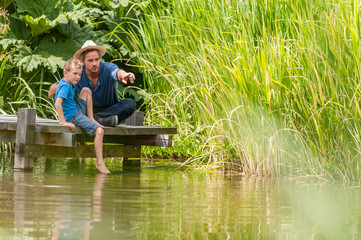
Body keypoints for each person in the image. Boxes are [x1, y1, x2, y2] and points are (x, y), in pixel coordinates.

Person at [49, 40, 136, 127]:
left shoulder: (108, 67)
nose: (94, 64)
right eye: (90, 60)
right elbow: (51, 92)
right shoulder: (77, 73)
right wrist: (65, 86)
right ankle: (100, 120)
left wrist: (124, 75)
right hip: (86, 110)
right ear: (82, 62)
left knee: (130, 104)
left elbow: (117, 72)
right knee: (66, 99)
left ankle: (95, 119)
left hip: (110, 110)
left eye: (97, 60)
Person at [54, 58, 111, 174]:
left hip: (75, 109)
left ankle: (91, 118)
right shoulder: (65, 86)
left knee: (86, 90)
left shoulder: (68, 83)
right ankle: (99, 162)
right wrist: (63, 122)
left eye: (79, 74)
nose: (77, 77)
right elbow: (57, 103)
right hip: (73, 116)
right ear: (66, 73)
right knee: (99, 131)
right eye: (75, 74)